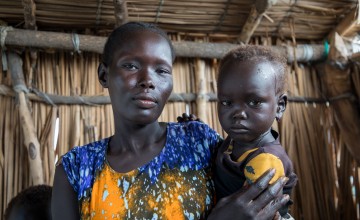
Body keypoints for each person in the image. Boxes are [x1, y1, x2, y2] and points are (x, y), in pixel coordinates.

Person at [51, 22, 290, 220]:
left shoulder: (199, 143)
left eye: (161, 71)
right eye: (131, 66)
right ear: (104, 75)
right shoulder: (75, 169)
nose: (148, 80)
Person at [214, 45, 297, 219]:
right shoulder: (238, 141)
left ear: (279, 106)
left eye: (254, 102)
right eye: (227, 103)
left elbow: (255, 212)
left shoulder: (266, 162)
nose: (238, 114)